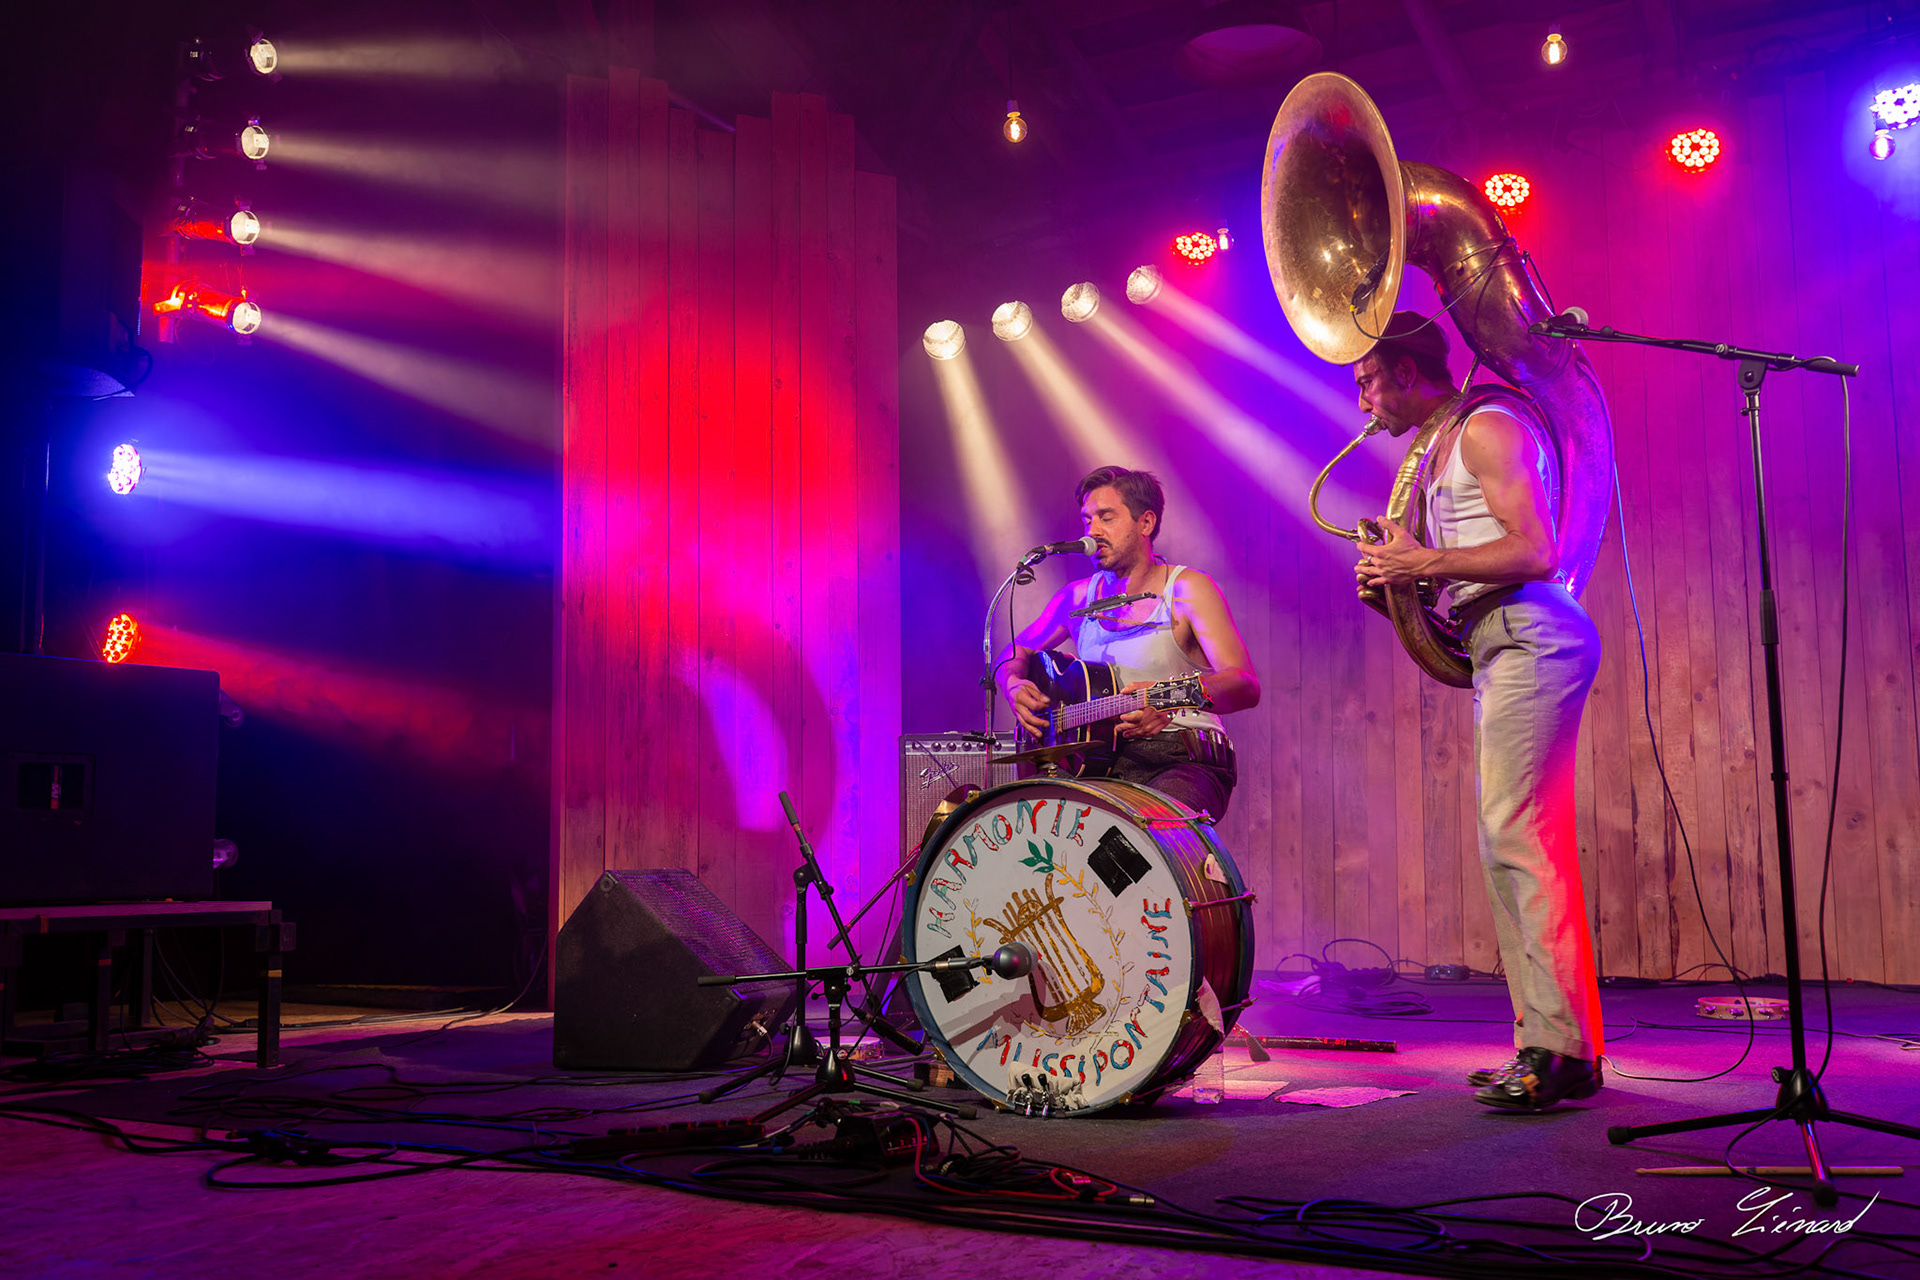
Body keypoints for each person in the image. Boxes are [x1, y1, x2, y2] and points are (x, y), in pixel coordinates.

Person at [1353, 311, 1604, 1112]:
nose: (1363, 402)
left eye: (1367, 381)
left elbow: (1539, 549)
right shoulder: (1439, 449)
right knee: (1510, 841)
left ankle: (1559, 1049)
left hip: (1531, 628)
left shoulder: (1487, 426)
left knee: (1518, 835)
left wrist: (1421, 560)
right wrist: (1397, 588)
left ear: (1404, 372)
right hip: (1500, 638)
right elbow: (1457, 574)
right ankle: (1552, 1044)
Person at [996, 466, 1260, 820]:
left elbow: (1244, 683)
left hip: (1184, 758)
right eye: (1087, 520)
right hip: (1099, 763)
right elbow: (1013, 653)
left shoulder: (1187, 589)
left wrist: (1165, 703)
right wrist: (1013, 684)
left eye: (1106, 518)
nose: (1093, 531)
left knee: (1135, 840)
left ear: (1145, 523)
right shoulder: (1076, 599)